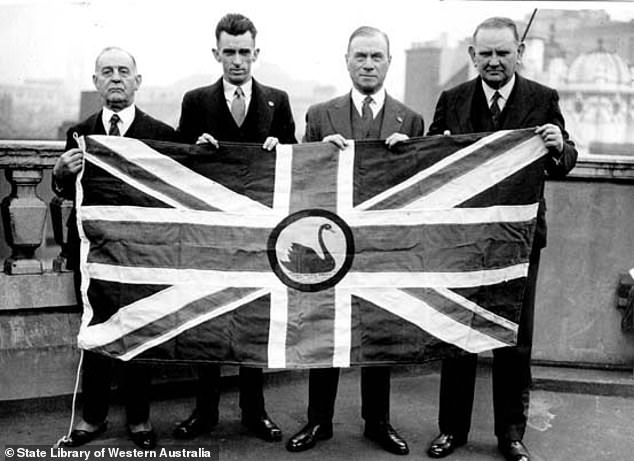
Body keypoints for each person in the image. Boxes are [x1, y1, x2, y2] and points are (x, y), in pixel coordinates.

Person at [425, 17, 577, 461]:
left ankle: (511, 434)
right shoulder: (452, 100)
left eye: (502, 53)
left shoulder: (542, 98)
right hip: (463, 241)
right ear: (472, 55)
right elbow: (431, 159)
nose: (493, 61)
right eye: (485, 53)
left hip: (520, 239)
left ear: (520, 52)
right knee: (457, 334)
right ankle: (451, 430)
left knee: (514, 339)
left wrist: (556, 144)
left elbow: (563, 162)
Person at [286, 26, 424, 455]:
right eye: (360, 57)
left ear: (388, 62)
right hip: (332, 241)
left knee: (378, 331)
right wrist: (317, 152)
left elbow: (420, 190)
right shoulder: (320, 116)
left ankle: (377, 422)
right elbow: (299, 184)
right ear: (346, 61)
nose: (368, 64)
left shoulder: (410, 119)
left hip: (380, 244)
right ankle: (318, 421)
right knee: (324, 327)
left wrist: (408, 156)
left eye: (376, 57)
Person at [173, 13, 296, 442]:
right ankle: (203, 411)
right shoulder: (195, 100)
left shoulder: (277, 101)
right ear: (216, 53)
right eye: (229, 52)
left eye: (245, 52)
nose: (237, 61)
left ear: (256, 53)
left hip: (260, 232)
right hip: (213, 234)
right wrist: (196, 149)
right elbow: (179, 166)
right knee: (208, 321)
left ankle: (254, 412)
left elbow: (296, 166)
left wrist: (281, 150)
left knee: (254, 321)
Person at [54, 47, 176, 449]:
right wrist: (59, 174)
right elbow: (68, 191)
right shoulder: (79, 132)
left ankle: (139, 419)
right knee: (96, 332)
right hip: (95, 256)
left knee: (140, 333)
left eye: (124, 71)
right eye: (107, 72)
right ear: (95, 81)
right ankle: (92, 419)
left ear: (138, 81)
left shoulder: (160, 133)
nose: (116, 78)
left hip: (142, 255)